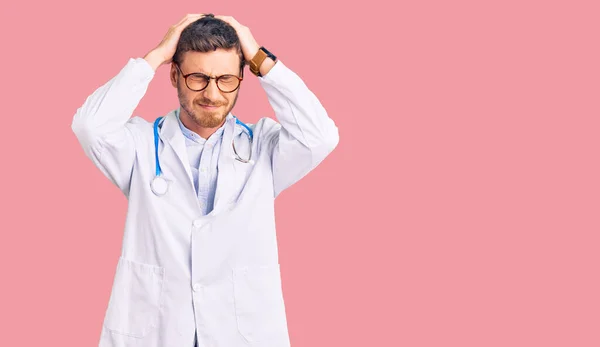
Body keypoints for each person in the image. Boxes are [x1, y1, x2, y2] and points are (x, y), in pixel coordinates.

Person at [71, 13, 339, 347]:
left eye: (226, 79)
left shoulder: (263, 147)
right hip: (158, 334)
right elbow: (89, 127)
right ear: (174, 74)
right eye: (198, 77)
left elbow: (321, 137)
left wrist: (258, 56)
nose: (212, 93)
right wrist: (155, 55)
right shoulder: (140, 145)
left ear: (243, 77)